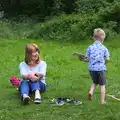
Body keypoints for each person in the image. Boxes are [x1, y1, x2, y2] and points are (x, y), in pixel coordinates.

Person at [80, 28, 110, 104]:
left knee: (94, 82)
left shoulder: (90, 47)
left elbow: (86, 59)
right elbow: (108, 59)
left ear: (94, 38)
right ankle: (102, 101)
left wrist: (82, 59)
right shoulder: (104, 48)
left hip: (91, 69)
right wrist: (104, 63)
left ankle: (91, 91)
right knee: (102, 84)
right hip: (100, 69)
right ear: (102, 38)